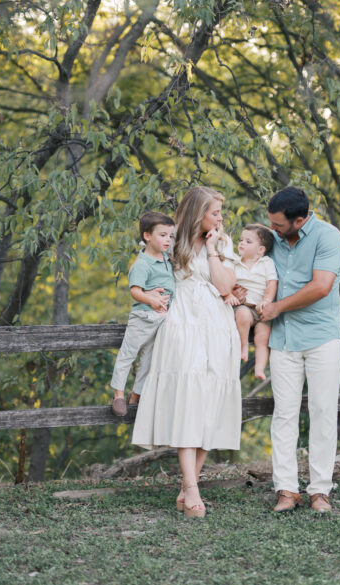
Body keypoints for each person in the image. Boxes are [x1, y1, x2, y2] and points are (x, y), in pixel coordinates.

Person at [131, 187, 242, 518]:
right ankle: (192, 488)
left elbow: (225, 287)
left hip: (218, 327)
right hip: (182, 325)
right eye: (215, 212)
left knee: (211, 400)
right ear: (197, 212)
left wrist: (211, 250)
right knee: (188, 400)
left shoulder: (221, 243)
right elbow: (144, 270)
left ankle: (187, 487)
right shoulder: (170, 239)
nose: (221, 218)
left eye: (221, 212)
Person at [258, 186, 340, 514]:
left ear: (299, 220)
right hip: (282, 340)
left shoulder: (327, 236)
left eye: (279, 225)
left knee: (323, 412)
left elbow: (322, 286)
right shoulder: (272, 238)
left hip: (322, 338)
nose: (273, 230)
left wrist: (278, 307)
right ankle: (286, 489)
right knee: (284, 415)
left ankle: (320, 491)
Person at [108, 212, 176, 418]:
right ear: (147, 236)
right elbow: (135, 291)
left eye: (170, 236)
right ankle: (118, 394)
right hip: (144, 317)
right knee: (128, 354)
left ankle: (136, 395)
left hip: (162, 320)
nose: (167, 240)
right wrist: (151, 299)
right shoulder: (143, 263)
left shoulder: (166, 258)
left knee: (149, 360)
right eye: (162, 235)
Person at [223, 224, 277, 379]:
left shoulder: (266, 263)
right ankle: (244, 346)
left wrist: (266, 300)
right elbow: (229, 282)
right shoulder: (234, 262)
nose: (241, 243)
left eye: (248, 241)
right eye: (241, 240)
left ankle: (259, 369)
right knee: (243, 316)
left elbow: (272, 283)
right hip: (244, 306)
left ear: (260, 250)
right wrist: (229, 294)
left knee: (262, 338)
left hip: (261, 310)